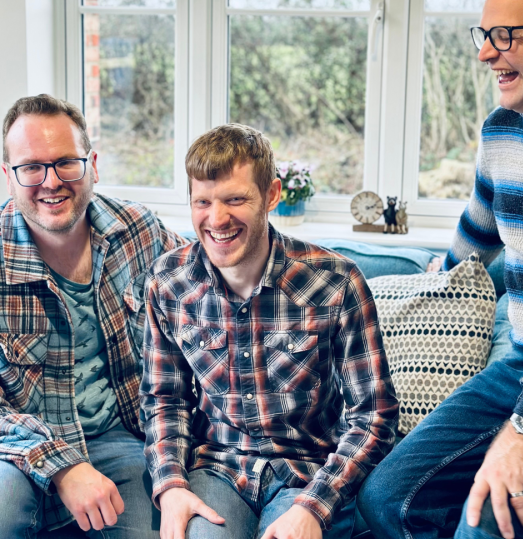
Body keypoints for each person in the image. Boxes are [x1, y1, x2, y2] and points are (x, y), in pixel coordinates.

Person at [358, 0, 523, 539]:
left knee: (485, 523)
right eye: (484, 34)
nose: (483, 53)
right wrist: (439, 280)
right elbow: (480, 228)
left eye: (505, 35)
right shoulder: (500, 131)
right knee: (389, 499)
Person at [140, 123, 398, 539]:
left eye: (235, 199)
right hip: (217, 470)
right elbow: (163, 401)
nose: (217, 218)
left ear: (272, 195)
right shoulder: (169, 282)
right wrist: (170, 484)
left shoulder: (336, 281)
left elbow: (375, 417)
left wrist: (315, 507)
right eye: (202, 201)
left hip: (309, 473)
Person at [0, 94, 187, 538]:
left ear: (93, 165)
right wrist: (63, 467)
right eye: (31, 167)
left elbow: (210, 292)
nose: (51, 182)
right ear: (9, 177)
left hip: (120, 440)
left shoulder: (142, 232)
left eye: (67, 162)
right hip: (13, 449)